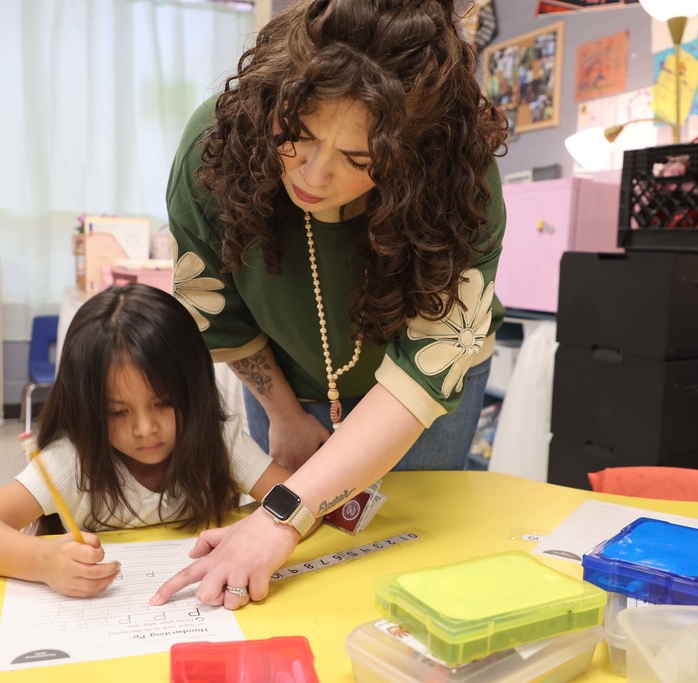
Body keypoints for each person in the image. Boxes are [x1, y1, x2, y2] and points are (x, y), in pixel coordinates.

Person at [153, 0, 507, 608]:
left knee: (411, 546)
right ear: (273, 99)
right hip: (284, 374)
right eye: (299, 134)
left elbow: (428, 368)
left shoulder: (458, 173)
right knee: (299, 567)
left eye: (359, 160)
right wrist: (285, 416)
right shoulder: (216, 143)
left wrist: (279, 517)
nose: (313, 176)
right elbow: (216, 306)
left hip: (421, 385)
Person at [0, 283, 295, 607]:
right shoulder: (72, 461)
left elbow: (299, 503)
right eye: (117, 411)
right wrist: (41, 561)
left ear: (195, 391)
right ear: (87, 408)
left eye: (164, 403)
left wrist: (253, 532)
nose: (145, 429)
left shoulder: (219, 443)